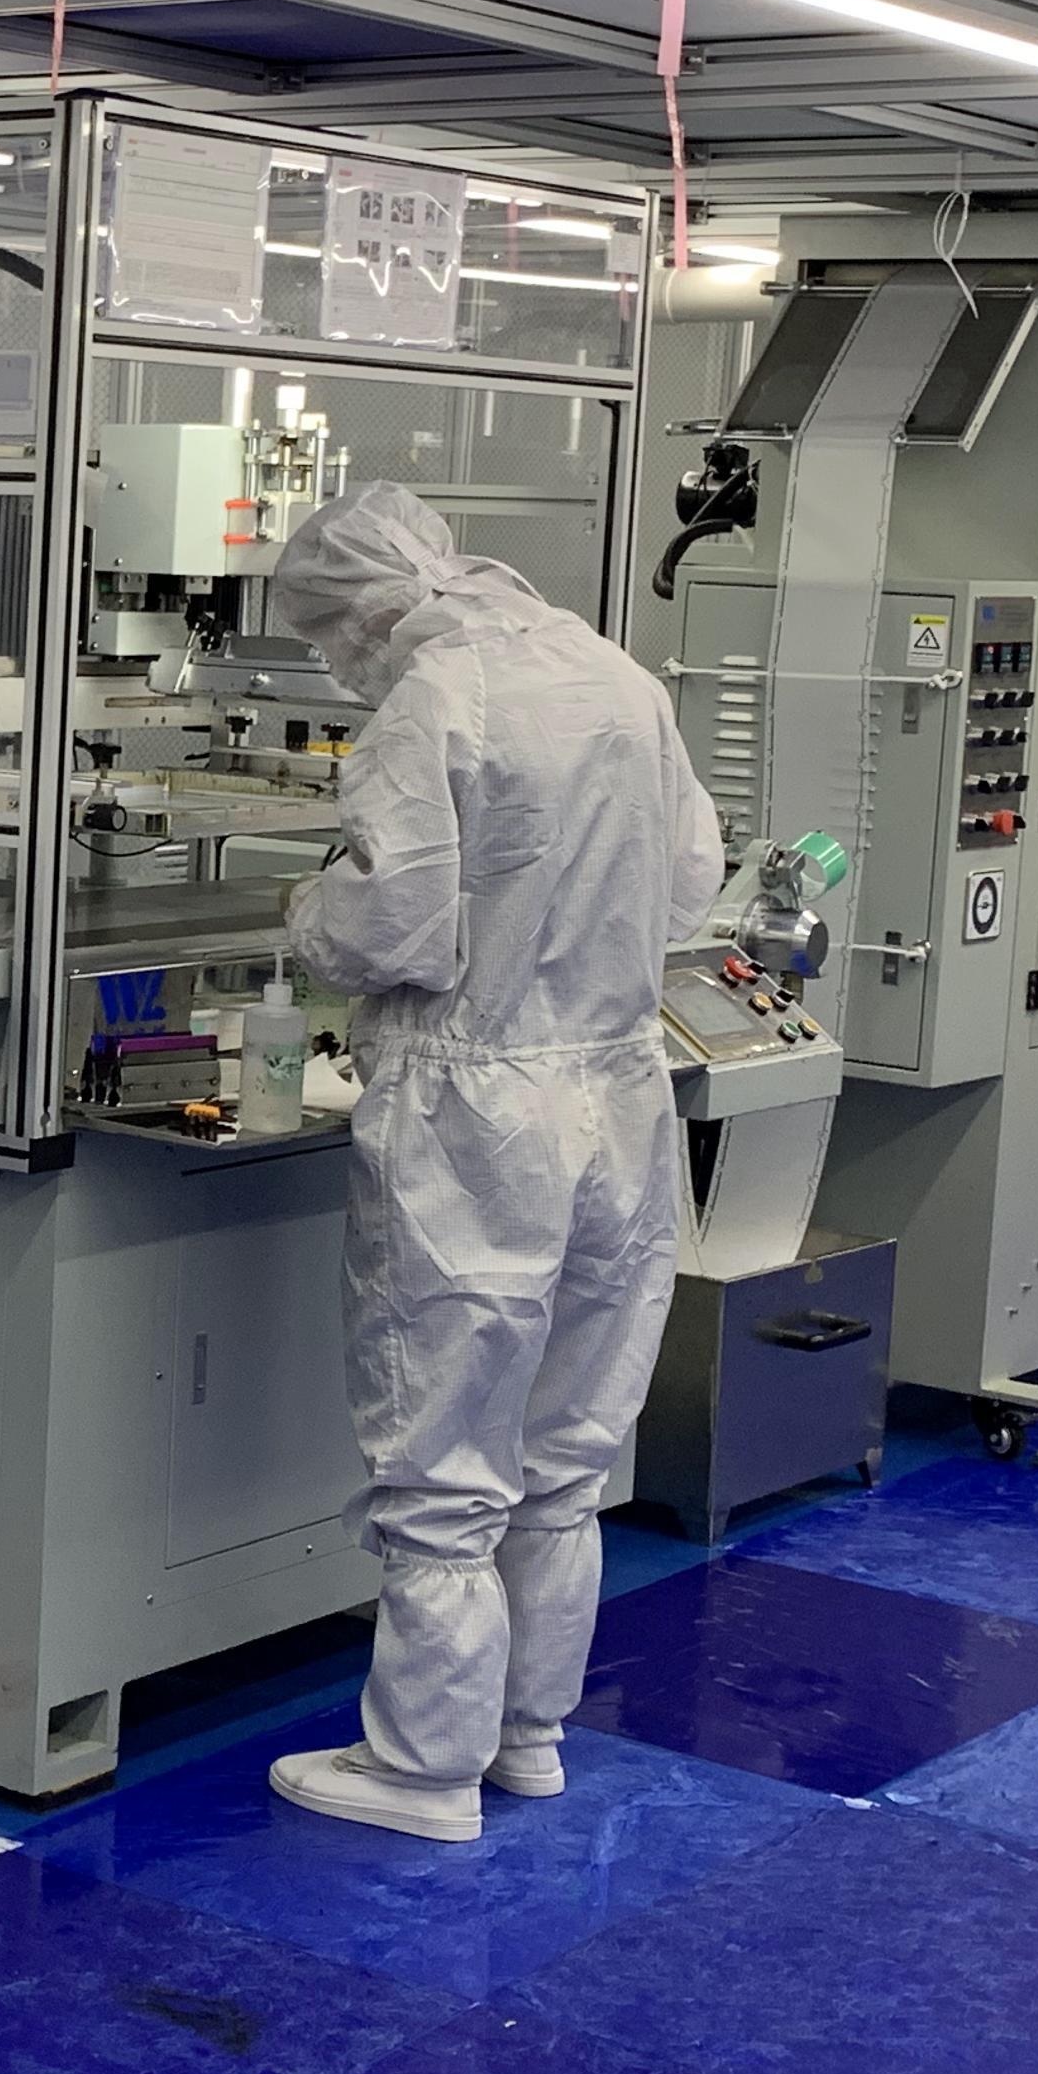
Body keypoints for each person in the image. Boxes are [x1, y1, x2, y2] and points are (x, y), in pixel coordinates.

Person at [258, 483, 724, 1843]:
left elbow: (392, 929)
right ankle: (526, 1737)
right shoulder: (616, 674)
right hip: (619, 1091)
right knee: (566, 1451)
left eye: (328, 637)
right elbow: (691, 881)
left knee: (443, 1455)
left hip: (476, 1113)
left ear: (358, 611)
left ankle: (421, 1769)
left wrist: (305, 910)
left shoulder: (436, 698)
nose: (338, 663)